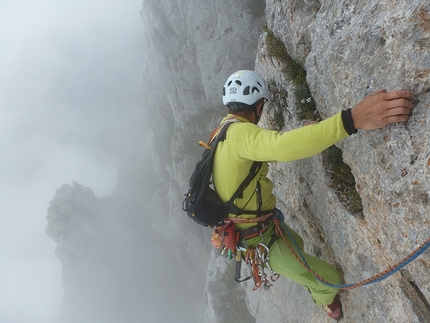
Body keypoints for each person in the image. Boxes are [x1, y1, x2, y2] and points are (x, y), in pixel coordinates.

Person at [212, 70, 414, 320]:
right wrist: (353, 119)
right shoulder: (239, 133)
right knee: (328, 279)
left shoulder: (223, 132)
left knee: (298, 246)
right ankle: (325, 301)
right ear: (259, 106)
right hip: (258, 241)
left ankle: (309, 279)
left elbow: (257, 155)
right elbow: (280, 147)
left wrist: (304, 134)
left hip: (256, 230)